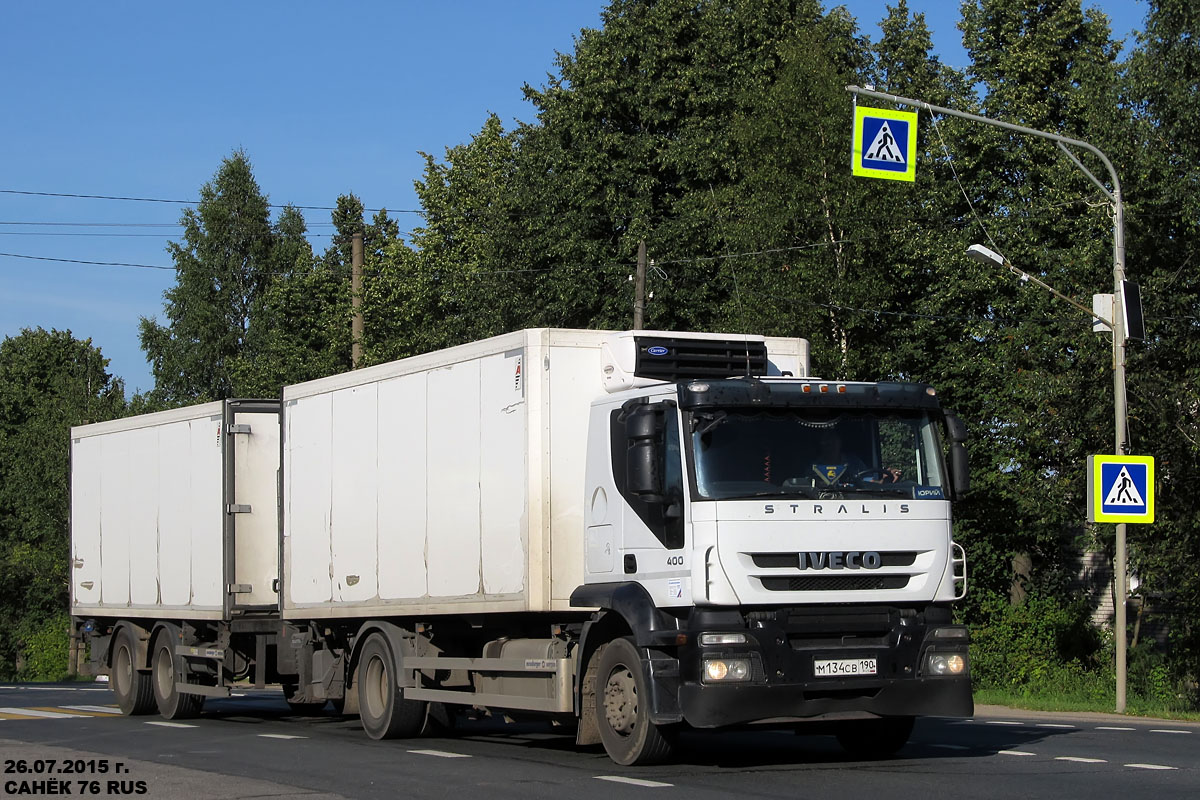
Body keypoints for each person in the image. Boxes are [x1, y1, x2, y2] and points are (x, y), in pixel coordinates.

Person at [811, 429, 900, 486]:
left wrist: (883, 481)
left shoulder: (855, 463)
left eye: (833, 440)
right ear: (821, 444)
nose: (830, 444)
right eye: (826, 441)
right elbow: (805, 488)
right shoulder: (813, 468)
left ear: (840, 442)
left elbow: (868, 483)